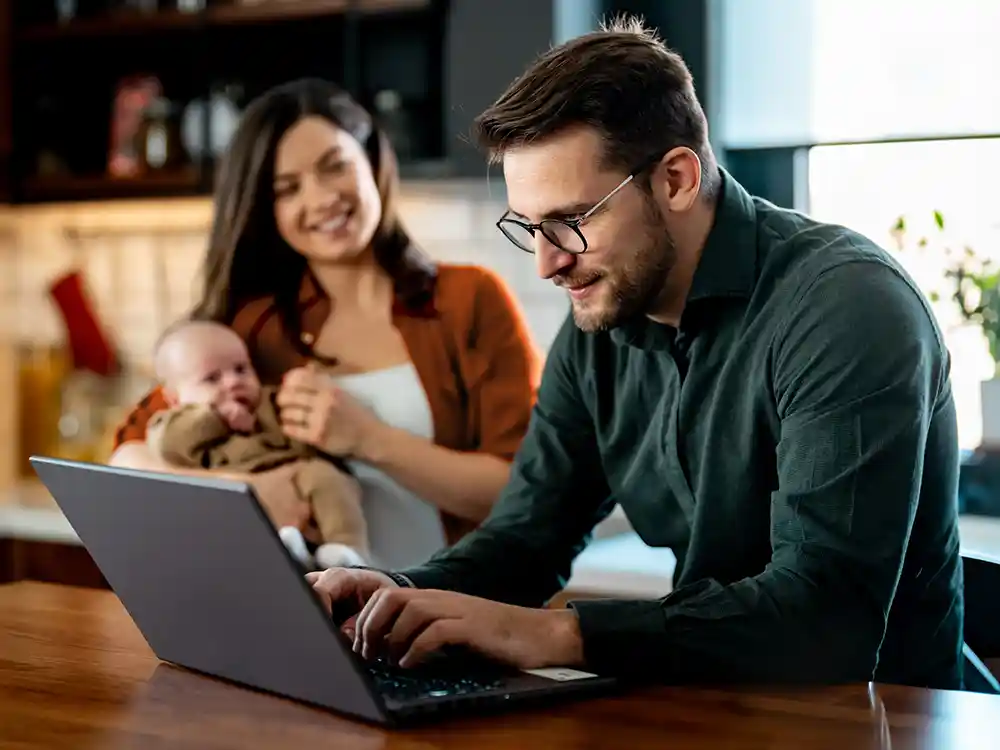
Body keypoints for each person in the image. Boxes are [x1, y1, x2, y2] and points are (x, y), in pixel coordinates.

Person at [309, 17, 965, 690]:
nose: (546, 263)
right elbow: (523, 542)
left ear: (677, 179)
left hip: (887, 719)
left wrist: (553, 632)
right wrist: (388, 595)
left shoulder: (846, 305)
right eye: (529, 228)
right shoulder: (600, 323)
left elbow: (825, 623)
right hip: (718, 712)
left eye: (571, 221)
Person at [110, 78, 541, 571]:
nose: (321, 199)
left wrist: (367, 439)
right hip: (308, 628)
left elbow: (521, 492)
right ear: (267, 211)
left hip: (453, 619)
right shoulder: (254, 329)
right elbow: (130, 456)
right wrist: (243, 492)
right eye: (287, 189)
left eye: (334, 166)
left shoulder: (469, 300)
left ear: (372, 162)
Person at [147, 319, 368, 570]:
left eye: (241, 369)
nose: (232, 382)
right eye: (211, 378)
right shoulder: (173, 424)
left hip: (297, 480)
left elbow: (300, 438)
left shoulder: (268, 404)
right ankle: (286, 553)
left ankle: (346, 550)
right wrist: (216, 417)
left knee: (327, 477)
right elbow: (169, 446)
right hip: (231, 497)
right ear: (174, 399)